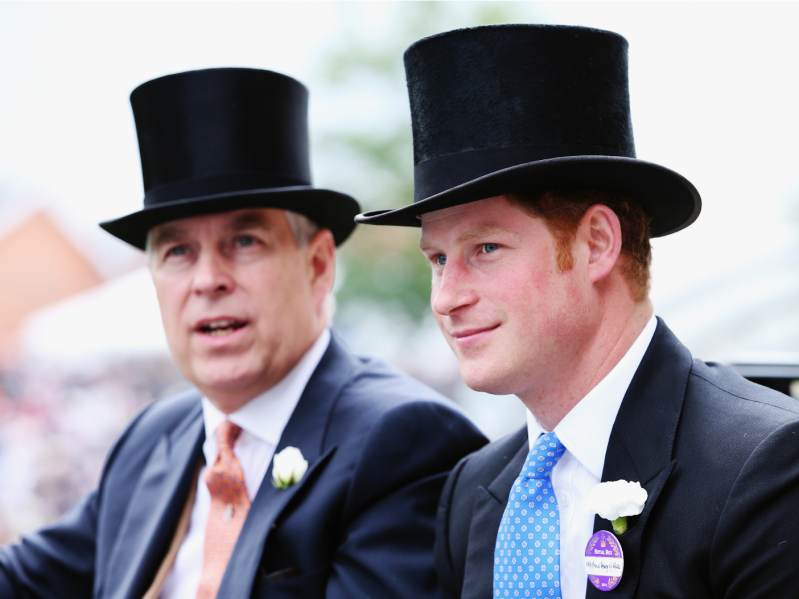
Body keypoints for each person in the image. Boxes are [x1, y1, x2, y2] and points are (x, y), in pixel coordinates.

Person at [0, 67, 486, 599]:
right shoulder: (155, 437)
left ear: (319, 265)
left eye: (245, 242)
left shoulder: (402, 441)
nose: (209, 280)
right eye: (178, 251)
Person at [356, 25, 799, 599]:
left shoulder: (761, 469)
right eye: (438, 259)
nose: (446, 297)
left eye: (485, 249)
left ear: (596, 243)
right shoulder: (472, 492)